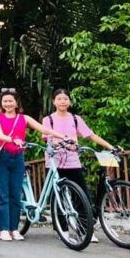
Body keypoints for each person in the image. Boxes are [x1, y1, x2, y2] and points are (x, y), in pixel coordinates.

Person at [43, 88, 121, 243]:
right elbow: (48, 139)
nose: (62, 101)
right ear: (53, 101)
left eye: (65, 98)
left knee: (81, 196)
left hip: (73, 162)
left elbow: (91, 135)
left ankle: (84, 231)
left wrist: (111, 147)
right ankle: (62, 229)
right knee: (58, 198)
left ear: (70, 101)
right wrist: (65, 143)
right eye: (59, 98)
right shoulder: (48, 119)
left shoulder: (75, 118)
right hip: (55, 163)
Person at [0, 88, 66, 242]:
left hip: (18, 158)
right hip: (2, 157)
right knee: (2, 195)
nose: (8, 104)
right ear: (1, 103)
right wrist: (13, 140)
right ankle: (4, 229)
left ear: (16, 102)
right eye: (5, 101)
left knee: (16, 195)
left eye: (11, 101)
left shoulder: (24, 118)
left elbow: (43, 128)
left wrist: (63, 136)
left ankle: (14, 229)